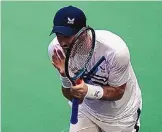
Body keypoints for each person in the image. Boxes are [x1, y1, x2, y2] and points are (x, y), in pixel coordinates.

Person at [48, 5, 142, 132]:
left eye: (68, 36)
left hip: (121, 116)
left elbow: (119, 91)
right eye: (59, 35)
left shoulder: (115, 51)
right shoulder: (57, 51)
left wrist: (88, 90)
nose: (63, 42)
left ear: (84, 32)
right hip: (87, 111)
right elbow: (75, 98)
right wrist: (65, 76)